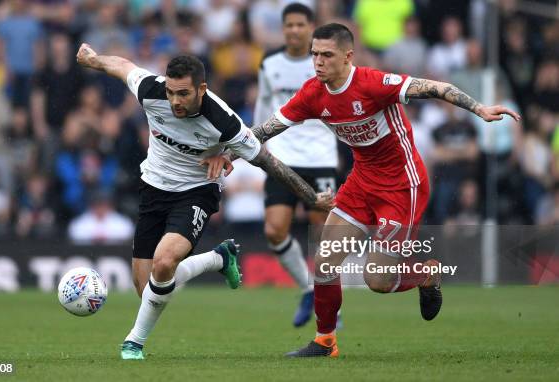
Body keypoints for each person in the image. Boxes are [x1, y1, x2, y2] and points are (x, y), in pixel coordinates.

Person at [212, 23, 520, 357]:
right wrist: (230, 152)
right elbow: (267, 128)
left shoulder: (373, 83)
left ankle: (426, 273)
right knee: (326, 259)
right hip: (361, 183)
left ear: (347, 57)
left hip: (402, 187)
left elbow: (435, 87)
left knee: (378, 281)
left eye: (326, 55)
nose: (318, 62)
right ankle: (325, 341)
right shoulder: (312, 94)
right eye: (314, 54)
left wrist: (479, 109)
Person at [75, 43, 334, 360]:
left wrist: (312, 198)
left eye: (183, 94)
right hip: (153, 188)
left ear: (202, 89)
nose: (174, 101)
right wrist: (93, 59)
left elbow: (269, 162)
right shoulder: (150, 90)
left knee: (164, 262)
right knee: (147, 289)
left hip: (197, 191)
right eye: (170, 92)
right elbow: (121, 64)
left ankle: (133, 343)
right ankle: (217, 259)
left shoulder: (224, 121)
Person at [254, 3, 338, 327]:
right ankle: (308, 288)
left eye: (300, 25)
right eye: (288, 25)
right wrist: (256, 146)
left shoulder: (325, 63)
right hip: (281, 157)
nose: (293, 30)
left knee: (323, 235)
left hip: (320, 157)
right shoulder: (270, 63)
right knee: (274, 230)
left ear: (311, 27)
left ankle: (331, 305)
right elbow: (264, 104)